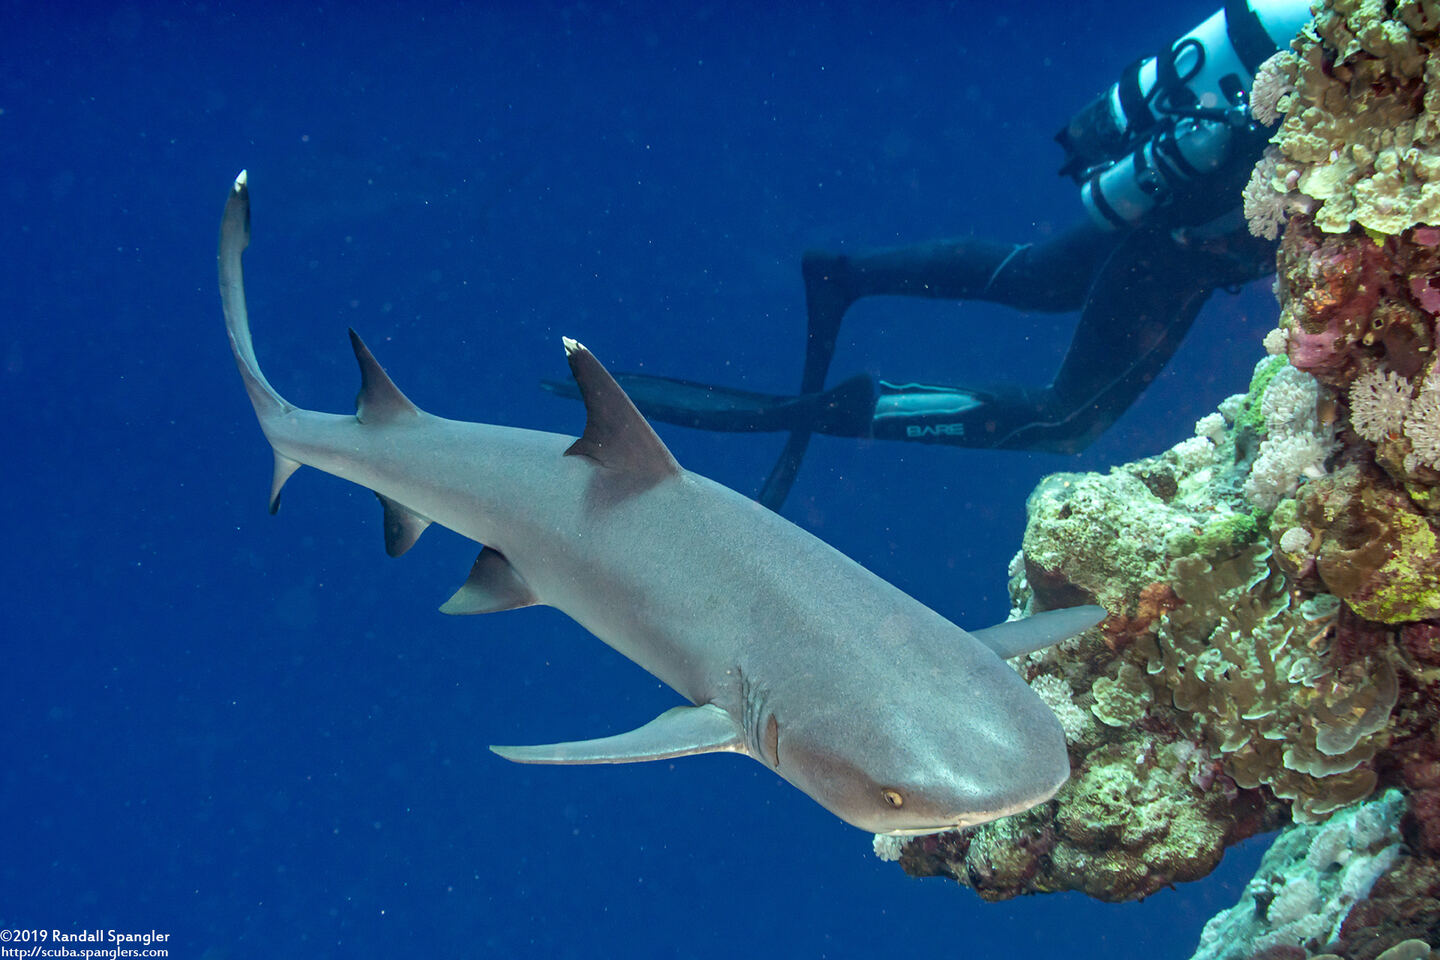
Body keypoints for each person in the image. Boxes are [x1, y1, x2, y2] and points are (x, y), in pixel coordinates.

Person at [546, 0, 1312, 509]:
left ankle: (846, 276)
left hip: (1184, 193)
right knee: (1065, 420)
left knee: (1042, 278)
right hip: (1188, 235)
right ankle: (849, 409)